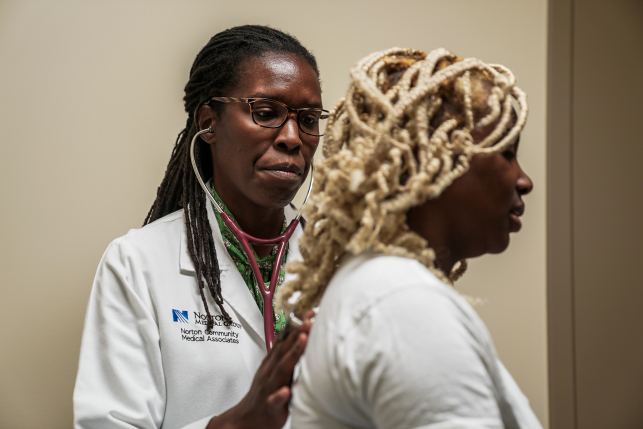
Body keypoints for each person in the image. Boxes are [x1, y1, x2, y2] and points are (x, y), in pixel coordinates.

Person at [74, 25, 325, 429]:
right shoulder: (138, 263)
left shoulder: (341, 266)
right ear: (208, 122)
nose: (293, 138)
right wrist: (236, 424)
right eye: (266, 113)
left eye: (309, 119)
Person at [278, 48, 543, 428]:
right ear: (433, 157)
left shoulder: (380, 284)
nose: (524, 180)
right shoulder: (402, 301)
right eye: (507, 152)